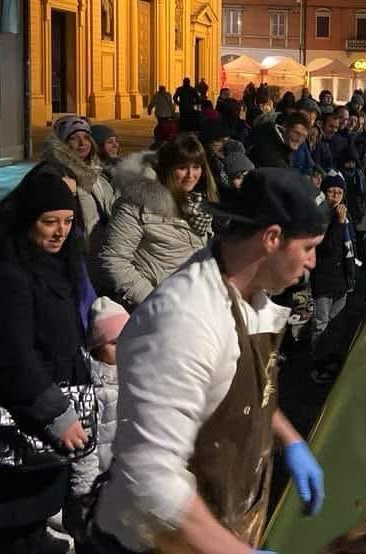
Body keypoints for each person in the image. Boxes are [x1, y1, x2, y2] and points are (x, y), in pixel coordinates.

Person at [94, 169, 327, 553]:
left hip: (221, 519)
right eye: (309, 248)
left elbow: (249, 389)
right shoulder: (186, 319)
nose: (313, 262)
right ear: (271, 238)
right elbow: (150, 478)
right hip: (160, 542)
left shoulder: (252, 297)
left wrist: (290, 439)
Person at [0, 173, 92, 552]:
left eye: (67, 221)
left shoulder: (58, 264)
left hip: (44, 433)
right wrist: (56, 414)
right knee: (16, 535)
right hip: (15, 427)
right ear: (28, 219)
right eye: (49, 221)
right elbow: (11, 355)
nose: (60, 231)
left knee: (34, 525)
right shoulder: (6, 273)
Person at [100, 136, 217, 309]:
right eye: (182, 168)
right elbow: (114, 261)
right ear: (168, 168)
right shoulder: (136, 204)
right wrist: (155, 301)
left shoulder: (196, 200)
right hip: (160, 308)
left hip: (194, 301)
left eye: (196, 167)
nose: (191, 175)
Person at [66, 296, 125, 540]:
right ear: (97, 346)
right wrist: (84, 489)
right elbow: (85, 442)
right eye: (113, 343)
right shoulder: (91, 388)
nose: (121, 348)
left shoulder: (133, 373)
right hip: (97, 477)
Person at [43, 116, 117, 250]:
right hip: (80, 250)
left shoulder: (97, 172)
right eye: (74, 138)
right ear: (62, 143)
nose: (82, 143)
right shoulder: (59, 175)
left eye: (86, 137)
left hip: (102, 246)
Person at [310, 174, 358, 384]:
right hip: (323, 280)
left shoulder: (345, 217)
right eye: (331, 192)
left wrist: (351, 275)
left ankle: (332, 359)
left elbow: (350, 247)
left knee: (335, 324)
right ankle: (317, 363)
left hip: (341, 279)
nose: (335, 197)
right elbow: (326, 248)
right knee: (321, 324)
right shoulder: (320, 217)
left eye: (339, 193)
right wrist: (338, 223)